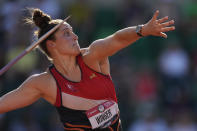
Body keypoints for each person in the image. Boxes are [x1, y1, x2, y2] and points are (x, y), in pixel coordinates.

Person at [0, 8, 175, 131]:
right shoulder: (43, 83)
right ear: (51, 44)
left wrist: (142, 30)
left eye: (73, 32)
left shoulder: (93, 56)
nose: (76, 37)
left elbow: (117, 39)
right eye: (67, 34)